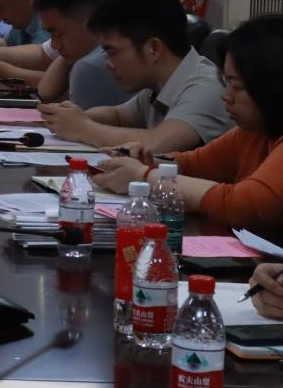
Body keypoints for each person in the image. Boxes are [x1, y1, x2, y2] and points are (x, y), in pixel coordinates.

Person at [93, 15, 283, 232]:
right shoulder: (252, 132)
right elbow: (194, 164)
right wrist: (146, 161)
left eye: (237, 87)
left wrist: (143, 176)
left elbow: (242, 206)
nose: (226, 96)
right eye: (227, 83)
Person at [37, 0, 229, 152]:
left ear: (153, 49)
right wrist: (69, 118)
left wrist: (84, 128)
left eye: (112, 52)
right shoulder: (159, 85)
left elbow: (158, 143)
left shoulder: (206, 88)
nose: (108, 64)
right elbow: (118, 116)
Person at [30, 0, 130, 109]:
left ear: (92, 22)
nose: (54, 45)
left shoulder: (89, 66)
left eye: (58, 34)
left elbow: (43, 95)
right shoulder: (106, 48)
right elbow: (44, 93)